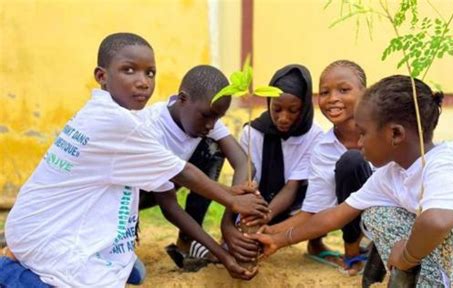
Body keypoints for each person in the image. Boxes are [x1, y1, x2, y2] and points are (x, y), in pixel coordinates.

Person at [0, 32, 267, 287]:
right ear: (101, 76)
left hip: (50, 221)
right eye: (129, 70)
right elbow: (181, 174)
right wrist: (233, 200)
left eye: (150, 73)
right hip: (43, 232)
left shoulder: (112, 113)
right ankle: (10, 267)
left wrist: (230, 214)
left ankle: (27, 252)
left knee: (130, 272)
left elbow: (233, 164)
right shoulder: (123, 123)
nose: (143, 81)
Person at [248, 75, 453, 287]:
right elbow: (336, 215)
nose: (359, 140)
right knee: (377, 214)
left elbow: (437, 222)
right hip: (451, 260)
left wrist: (406, 257)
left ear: (395, 134)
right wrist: (279, 240)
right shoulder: (391, 174)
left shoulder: (444, 164)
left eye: (363, 133)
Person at [255, 60, 374, 275]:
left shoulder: (383, 133)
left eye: (344, 90)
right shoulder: (323, 148)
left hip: (398, 220)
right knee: (350, 162)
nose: (333, 99)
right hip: (357, 217)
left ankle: (379, 249)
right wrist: (270, 233)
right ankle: (353, 254)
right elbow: (313, 211)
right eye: (325, 92)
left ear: (365, 93)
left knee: (353, 161)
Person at [138, 65, 251, 262]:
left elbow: (243, 162)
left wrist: (229, 222)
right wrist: (221, 253)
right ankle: (125, 229)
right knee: (125, 267)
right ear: (183, 99)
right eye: (207, 116)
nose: (211, 125)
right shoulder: (151, 128)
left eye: (217, 118)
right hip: (134, 193)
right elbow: (169, 207)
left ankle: (186, 244)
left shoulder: (206, 115)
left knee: (212, 148)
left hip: (172, 181)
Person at [220, 64, 323, 265]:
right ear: (268, 103)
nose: (283, 118)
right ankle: (237, 238)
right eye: (276, 109)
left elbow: (293, 187)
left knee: (321, 192)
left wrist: (266, 216)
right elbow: (250, 180)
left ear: (304, 109)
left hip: (296, 202)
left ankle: (316, 242)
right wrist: (253, 214)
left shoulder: (315, 135)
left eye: (293, 111)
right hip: (260, 197)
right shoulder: (253, 132)